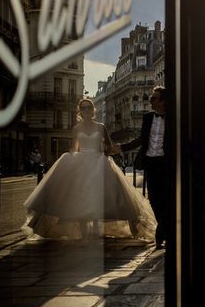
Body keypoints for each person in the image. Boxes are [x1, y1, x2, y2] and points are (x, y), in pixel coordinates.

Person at [22, 98, 156, 245]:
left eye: (89, 108)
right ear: (80, 111)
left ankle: (97, 232)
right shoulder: (76, 129)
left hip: (98, 161)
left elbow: (109, 146)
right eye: (84, 108)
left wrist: (114, 150)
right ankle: (85, 234)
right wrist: (70, 157)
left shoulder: (101, 127)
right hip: (81, 162)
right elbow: (75, 147)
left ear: (93, 110)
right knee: (81, 198)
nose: (86, 110)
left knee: (99, 196)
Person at [117, 86, 171, 249]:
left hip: (166, 162)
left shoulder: (173, 117)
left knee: (166, 199)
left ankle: (161, 233)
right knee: (154, 199)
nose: (150, 101)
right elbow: (141, 139)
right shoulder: (148, 118)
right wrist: (122, 147)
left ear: (162, 101)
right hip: (150, 162)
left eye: (154, 98)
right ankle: (163, 229)